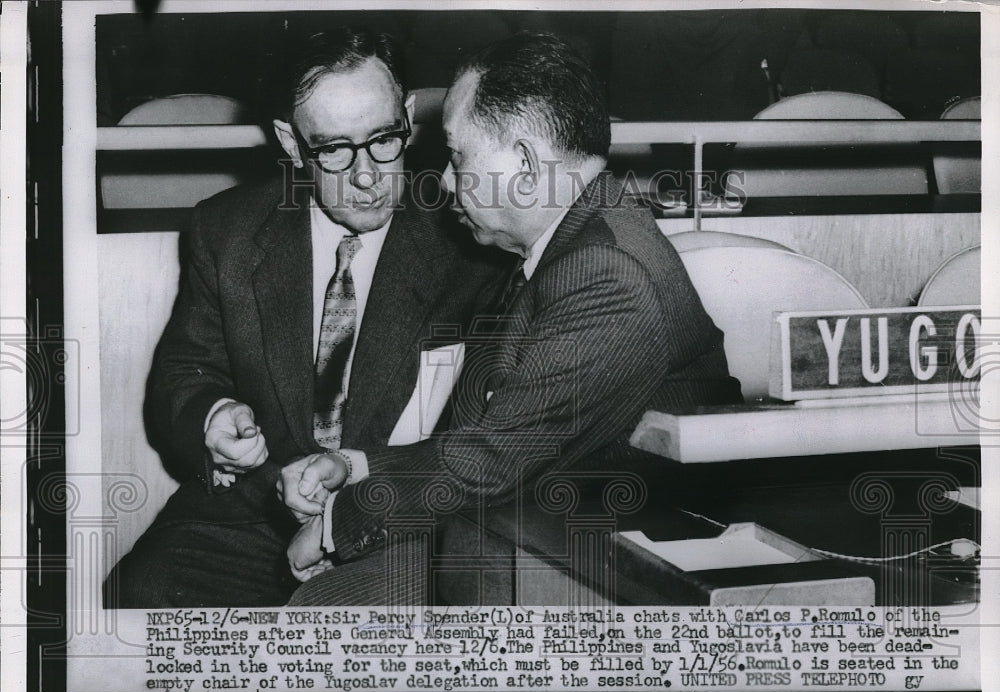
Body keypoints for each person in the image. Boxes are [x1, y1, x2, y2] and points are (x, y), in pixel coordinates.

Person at [281, 32, 743, 605]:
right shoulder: (567, 238)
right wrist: (357, 467)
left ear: (524, 163)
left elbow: (494, 459)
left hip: (604, 564)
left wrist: (335, 529)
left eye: (457, 155)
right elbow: (489, 440)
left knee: (321, 610)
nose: (445, 181)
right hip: (533, 524)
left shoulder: (606, 272)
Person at [103, 28, 509, 607]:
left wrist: (355, 511)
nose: (366, 175)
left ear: (409, 117)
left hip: (397, 525)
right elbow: (185, 371)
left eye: (383, 140)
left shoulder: (472, 240)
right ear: (293, 146)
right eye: (334, 150)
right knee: (136, 601)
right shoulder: (229, 230)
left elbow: (488, 438)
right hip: (247, 515)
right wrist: (213, 416)